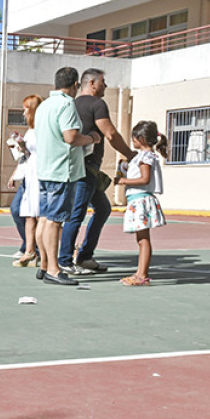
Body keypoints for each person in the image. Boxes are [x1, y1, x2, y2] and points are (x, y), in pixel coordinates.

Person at [60, 68, 137, 275]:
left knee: (102, 208)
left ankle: (84, 256)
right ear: (92, 83)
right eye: (103, 81)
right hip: (86, 168)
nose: (106, 85)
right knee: (76, 214)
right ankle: (65, 259)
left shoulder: (71, 104)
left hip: (75, 166)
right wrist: (130, 155)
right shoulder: (97, 104)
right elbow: (110, 133)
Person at [34, 67, 102, 286]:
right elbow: (71, 137)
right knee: (55, 221)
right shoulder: (66, 104)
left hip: (45, 168)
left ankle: (45, 265)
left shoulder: (44, 105)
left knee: (45, 219)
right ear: (75, 85)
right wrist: (91, 138)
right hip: (62, 170)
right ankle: (54, 269)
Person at [114, 121, 168, 286]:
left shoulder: (145, 157)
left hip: (140, 199)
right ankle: (140, 272)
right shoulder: (143, 156)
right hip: (137, 199)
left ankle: (142, 274)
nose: (132, 141)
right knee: (141, 239)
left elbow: (145, 179)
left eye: (134, 137)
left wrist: (124, 181)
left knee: (143, 240)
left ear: (142, 138)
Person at [10, 95, 43, 268]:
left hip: (40, 172)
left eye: (25, 108)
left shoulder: (44, 128)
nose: (23, 112)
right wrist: (21, 145)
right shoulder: (31, 130)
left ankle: (49, 251)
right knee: (29, 213)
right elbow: (28, 154)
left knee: (40, 215)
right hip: (30, 172)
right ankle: (30, 252)